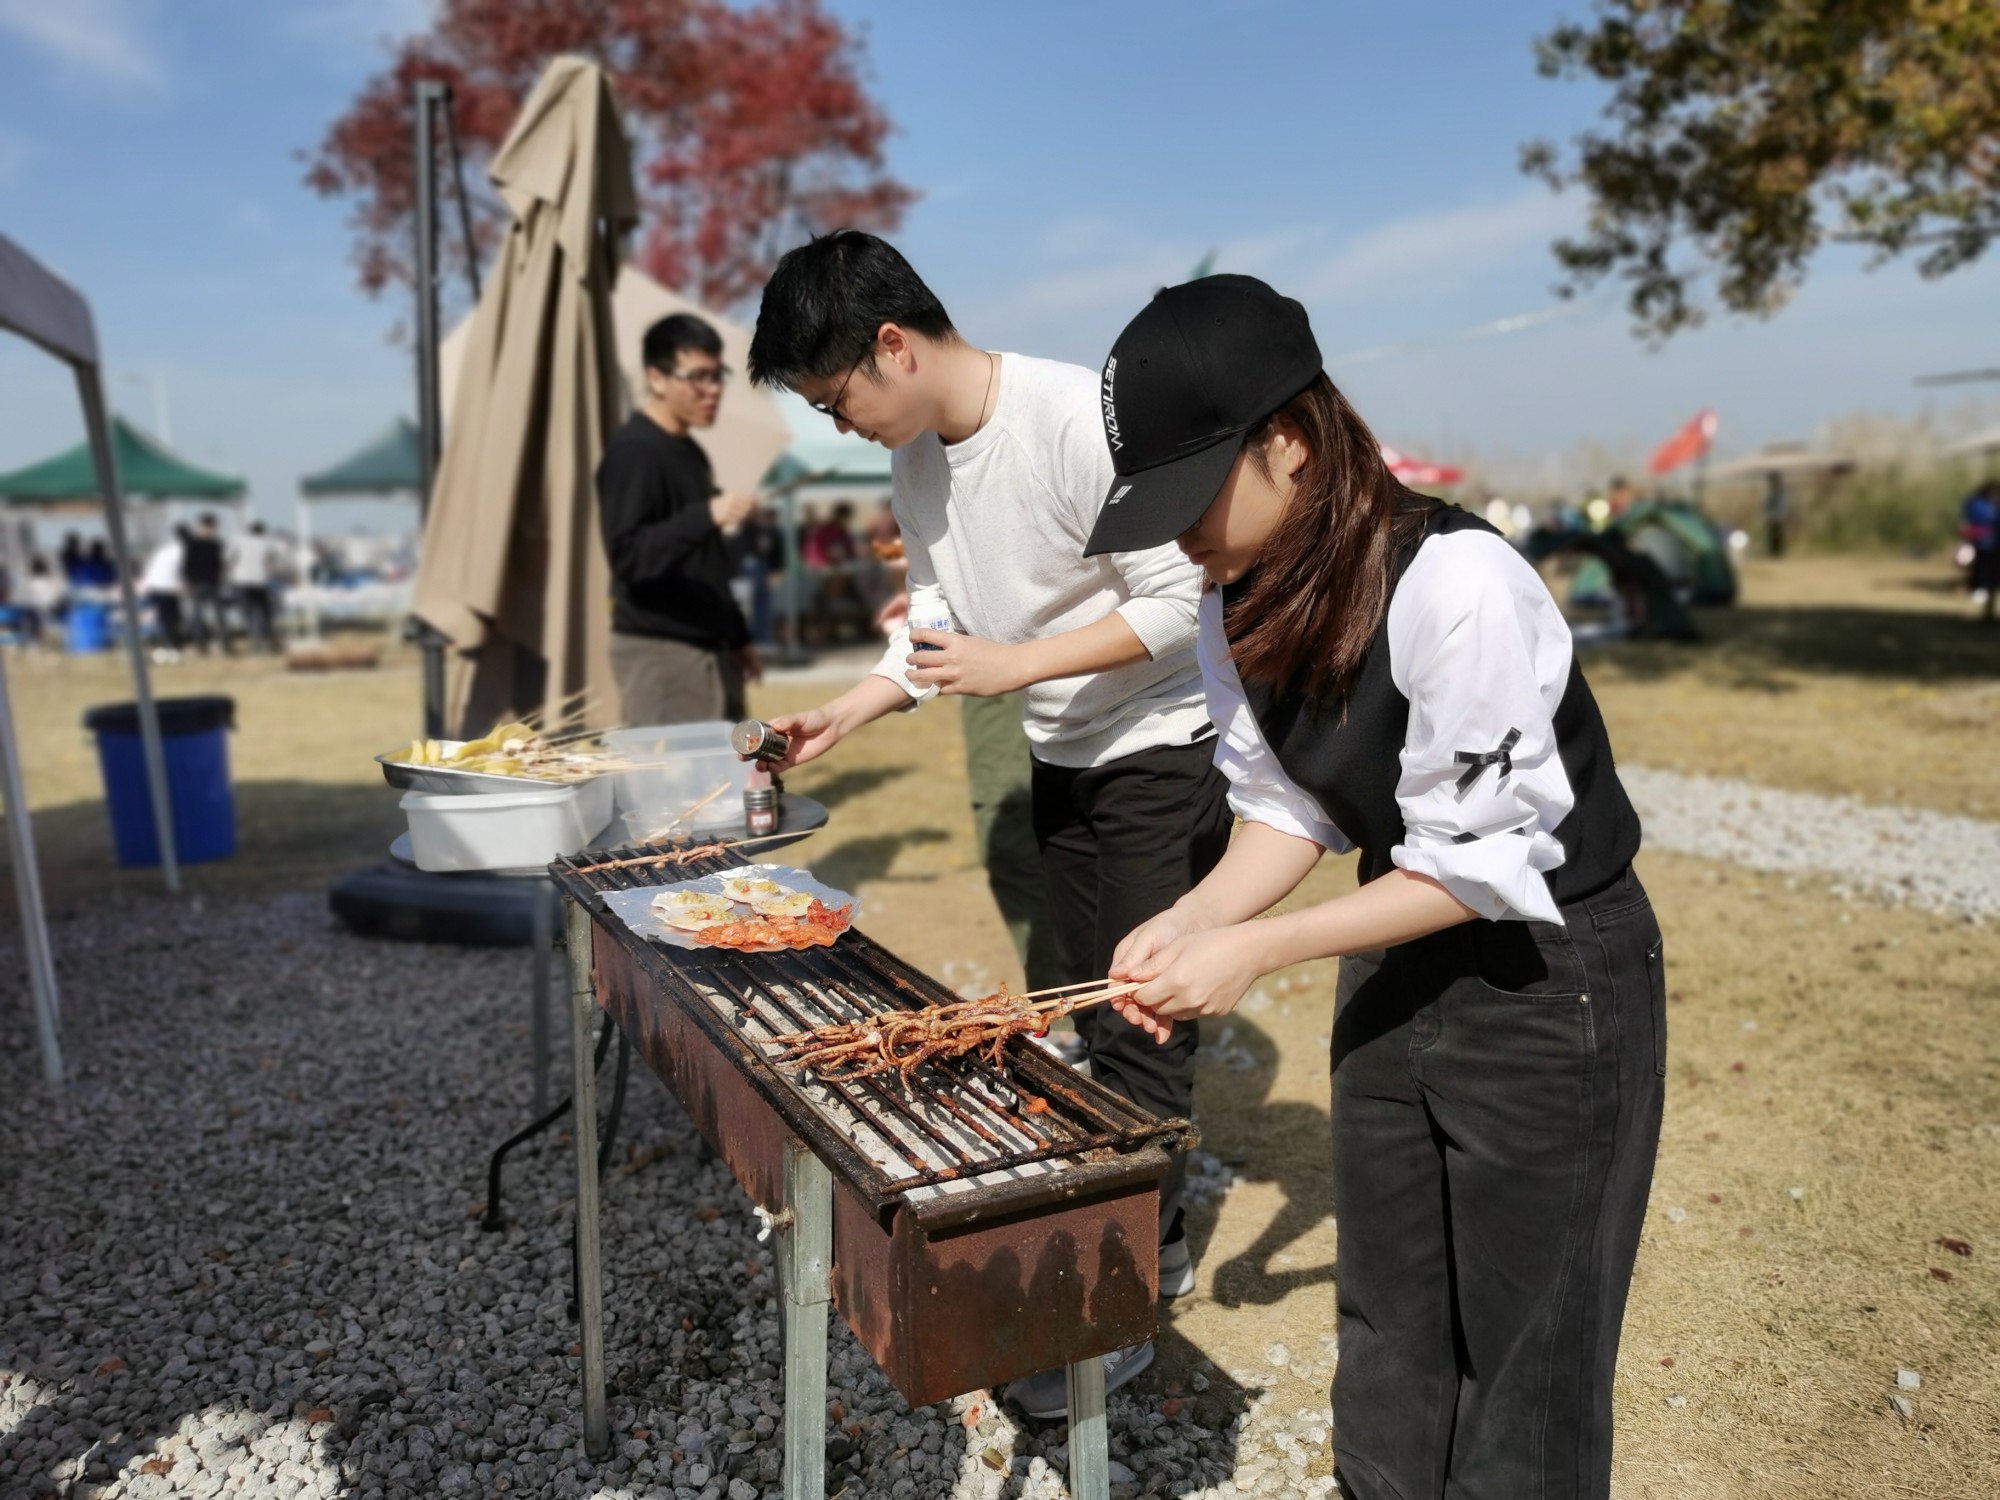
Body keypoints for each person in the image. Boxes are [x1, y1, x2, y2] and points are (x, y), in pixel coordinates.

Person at [1089, 276, 1662, 1500]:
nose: (1178, 537)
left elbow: (1478, 864)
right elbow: (1286, 804)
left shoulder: (1457, 583)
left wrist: (1253, 951)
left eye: (1192, 497)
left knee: (1529, 1345)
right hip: (1393, 948)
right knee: (1389, 1303)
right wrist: (1190, 919)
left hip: (1547, 972)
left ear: (1287, 443)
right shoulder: (1228, 602)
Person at [746, 231, 1231, 1415]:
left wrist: (1018, 664)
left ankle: (1119, 1303)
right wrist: (843, 713)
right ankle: (1145, 1228)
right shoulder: (916, 459)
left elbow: (1179, 602)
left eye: (834, 399)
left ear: (892, 347)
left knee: (1138, 1023)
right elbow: (935, 621)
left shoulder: (1070, 417)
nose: (839, 426)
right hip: (1060, 751)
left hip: (1161, 745)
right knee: (1077, 1006)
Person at [596, 313, 761, 724]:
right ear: (656, 378)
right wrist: (704, 515)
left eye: (718, 375)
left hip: (710, 646)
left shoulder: (690, 452)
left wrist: (735, 636)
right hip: (662, 654)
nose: (713, 389)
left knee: (731, 764)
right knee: (679, 769)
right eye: (698, 376)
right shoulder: (634, 451)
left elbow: (705, 561)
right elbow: (628, 557)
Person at [229, 520, 285, 653]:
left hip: (241, 581)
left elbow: (229, 557)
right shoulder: (267, 542)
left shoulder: (239, 540)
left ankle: (254, 640)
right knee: (264, 612)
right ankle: (266, 639)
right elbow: (276, 559)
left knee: (248, 613)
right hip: (260, 581)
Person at [182, 513, 231, 655]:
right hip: (204, 581)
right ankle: (213, 643)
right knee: (209, 614)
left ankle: (205, 644)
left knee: (204, 614)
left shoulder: (197, 542)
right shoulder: (213, 543)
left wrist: (187, 581)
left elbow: (187, 565)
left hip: (206, 582)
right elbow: (189, 564)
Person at [139, 529, 188, 660]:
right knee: (170, 620)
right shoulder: (182, 551)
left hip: (153, 586)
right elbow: (180, 571)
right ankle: (171, 647)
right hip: (166, 588)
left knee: (161, 619)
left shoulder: (166, 550)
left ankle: (163, 645)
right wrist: (181, 586)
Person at [1960, 478, 1998, 622]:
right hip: (1982, 546)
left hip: (1991, 546)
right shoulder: (1978, 504)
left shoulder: (1979, 504)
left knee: (1989, 579)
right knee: (1983, 577)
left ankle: (1988, 611)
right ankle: (1986, 610)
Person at [1762, 471, 1788, 557]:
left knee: (1776, 535)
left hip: (1776, 516)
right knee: (1774, 535)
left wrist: (1776, 515)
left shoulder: (1778, 491)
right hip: (1774, 516)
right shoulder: (1775, 490)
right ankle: (1774, 552)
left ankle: (1777, 552)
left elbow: (1780, 504)